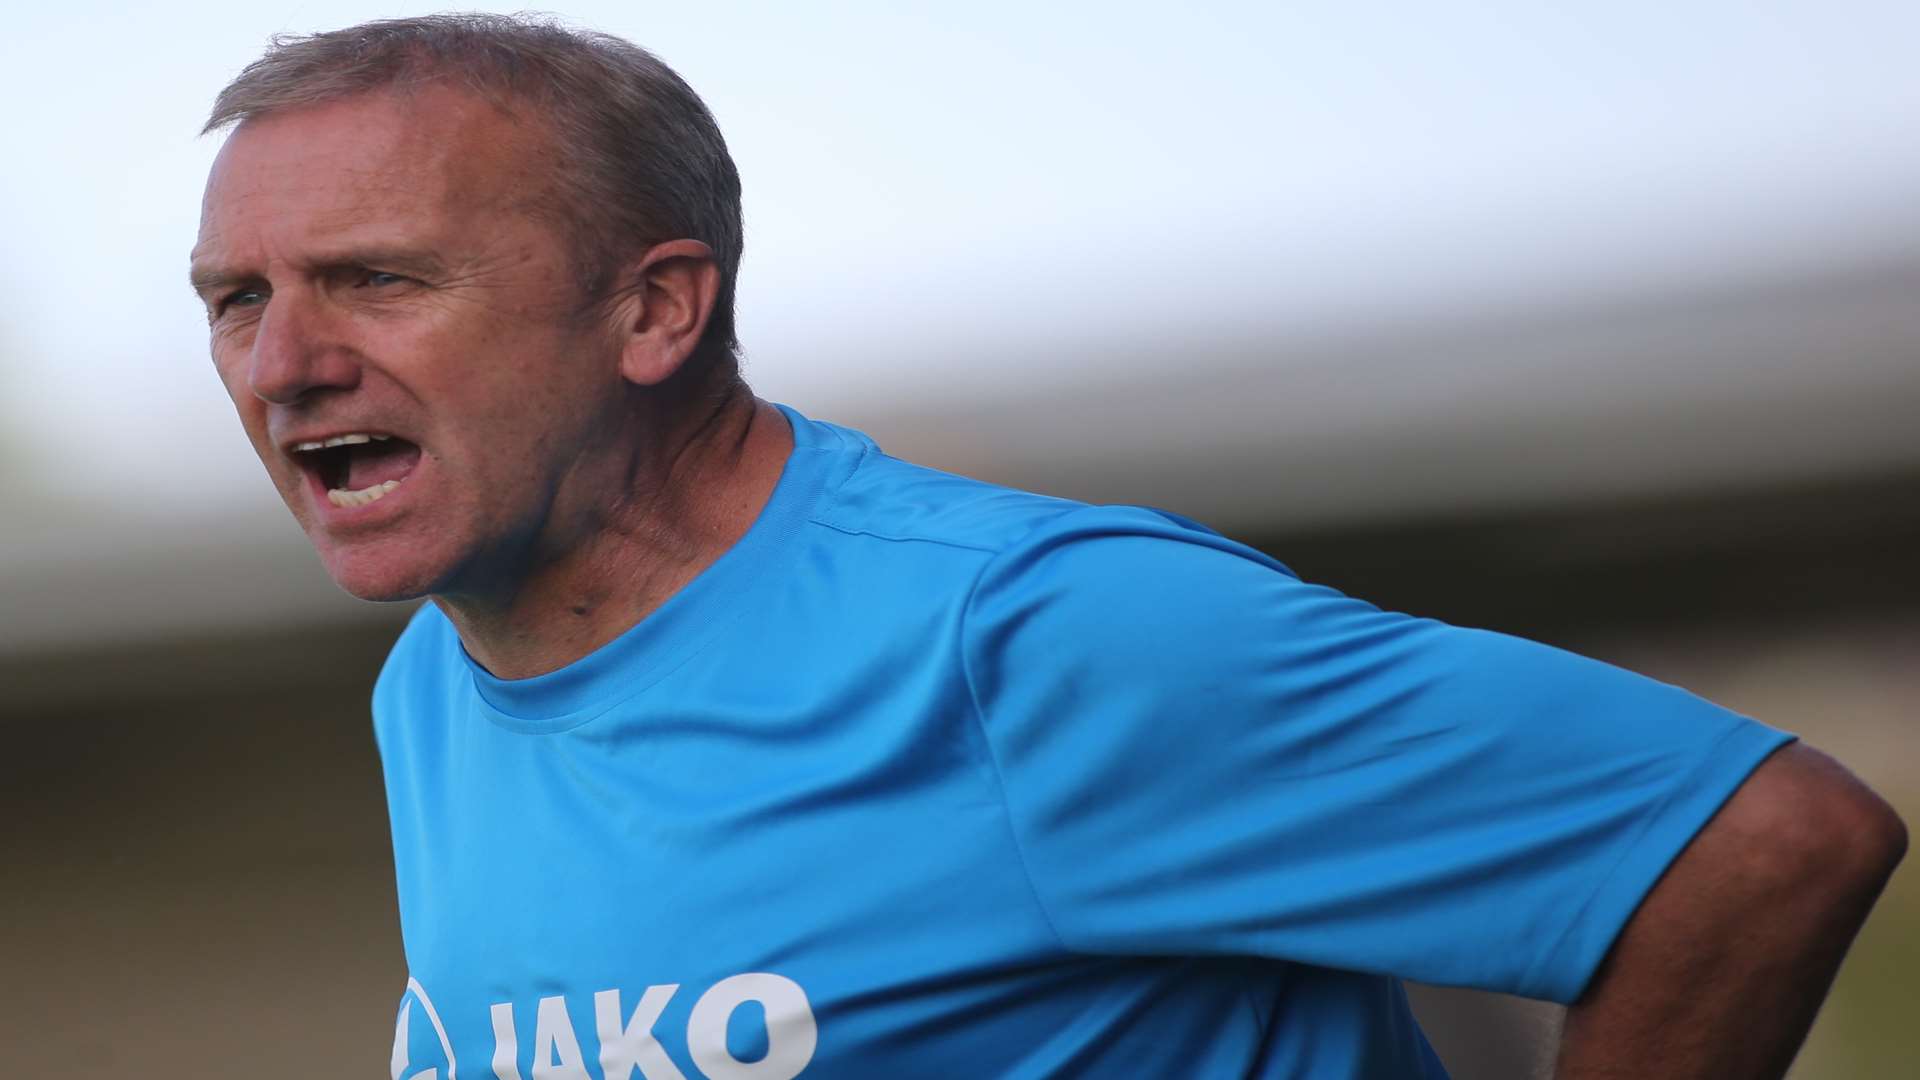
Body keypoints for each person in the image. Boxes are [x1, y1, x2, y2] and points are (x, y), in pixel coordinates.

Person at [190, 14, 1904, 1080]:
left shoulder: (1025, 635)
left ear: (652, 309)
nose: (283, 364)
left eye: (381, 279)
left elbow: (1758, 842)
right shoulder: (443, 675)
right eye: (237, 302)